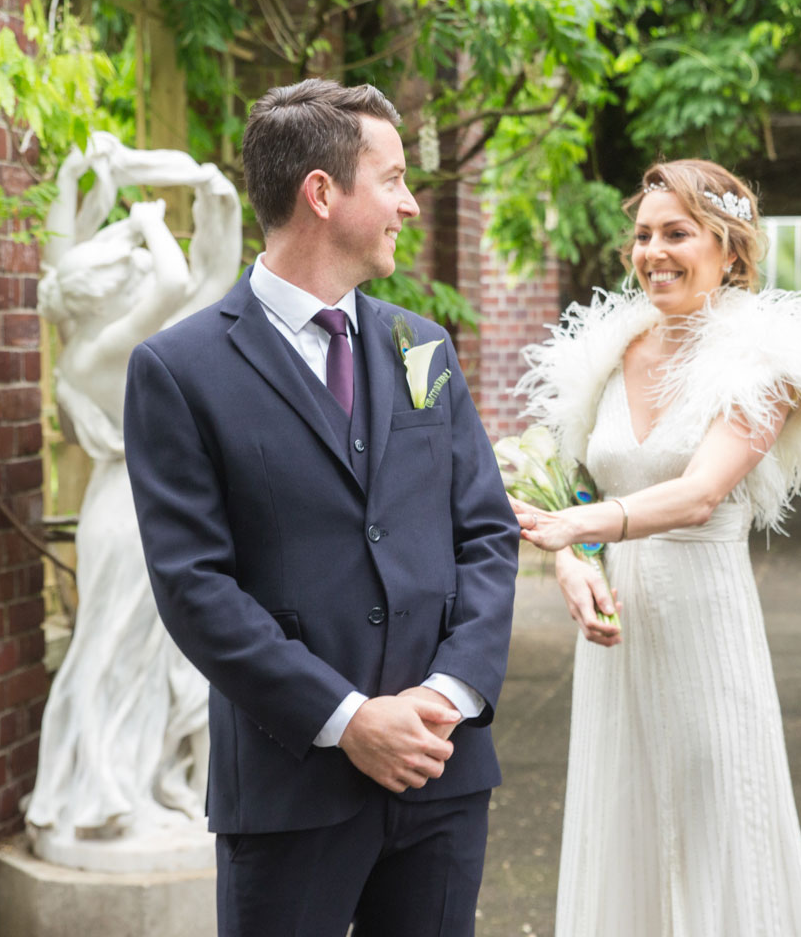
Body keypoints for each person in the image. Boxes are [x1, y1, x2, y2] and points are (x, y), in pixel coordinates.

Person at [123, 79, 519, 936]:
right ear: (322, 192)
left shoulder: (424, 347)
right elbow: (195, 587)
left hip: (442, 771)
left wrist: (448, 694)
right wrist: (348, 722)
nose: (410, 205)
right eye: (394, 179)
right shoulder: (178, 370)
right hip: (290, 784)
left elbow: (485, 532)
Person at [514, 159, 801, 936]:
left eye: (677, 233)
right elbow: (576, 488)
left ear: (729, 251)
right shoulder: (605, 360)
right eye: (643, 235)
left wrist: (579, 528)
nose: (653, 252)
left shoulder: (764, 366)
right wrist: (572, 563)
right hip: (613, 637)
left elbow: (700, 491)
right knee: (621, 819)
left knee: (716, 820)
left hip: (703, 625)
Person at [28, 138, 239, 859]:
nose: (138, 270)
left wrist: (72, 180)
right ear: (110, 291)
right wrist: (147, 218)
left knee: (142, 652)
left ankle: (139, 777)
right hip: (134, 513)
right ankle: (101, 787)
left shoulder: (79, 338)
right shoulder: (108, 345)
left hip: (123, 507)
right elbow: (182, 281)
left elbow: (62, 260)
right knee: (111, 648)